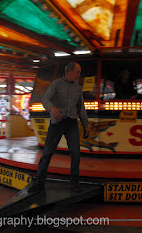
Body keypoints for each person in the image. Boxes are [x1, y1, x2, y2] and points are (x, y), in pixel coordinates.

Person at [28, 62, 90, 193]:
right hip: (57, 123)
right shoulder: (56, 84)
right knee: (47, 153)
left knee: (76, 152)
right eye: (77, 72)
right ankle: (39, 183)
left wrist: (86, 125)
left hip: (71, 122)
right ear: (69, 72)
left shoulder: (78, 88)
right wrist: (51, 108)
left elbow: (81, 109)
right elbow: (45, 99)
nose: (79, 75)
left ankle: (74, 183)